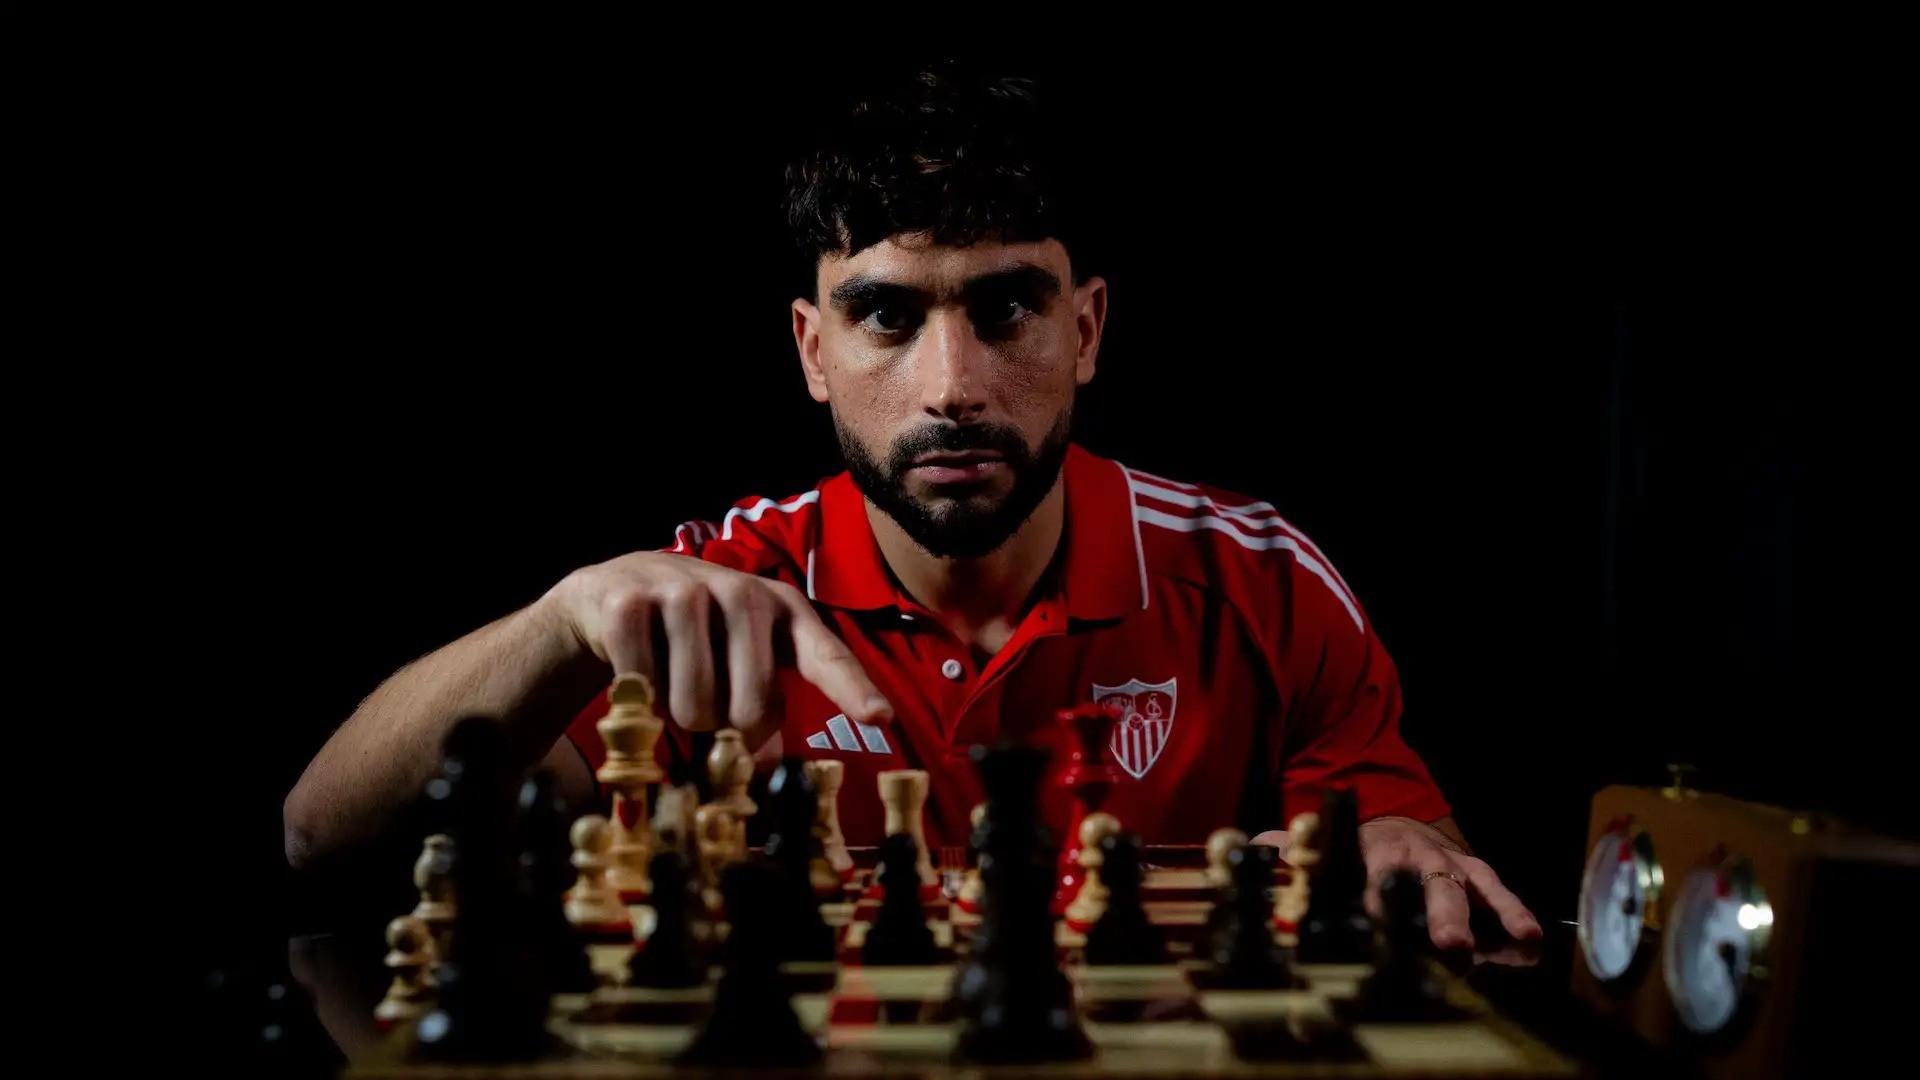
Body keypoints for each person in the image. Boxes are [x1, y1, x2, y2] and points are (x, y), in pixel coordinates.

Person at [285, 60, 1542, 951]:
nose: (953, 388)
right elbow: (321, 841)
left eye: (1008, 308)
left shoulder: (1259, 577)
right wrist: (560, 619)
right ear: (811, 350)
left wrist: (1408, 855)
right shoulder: (714, 593)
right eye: (887, 314)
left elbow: (1414, 848)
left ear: (1087, 330)